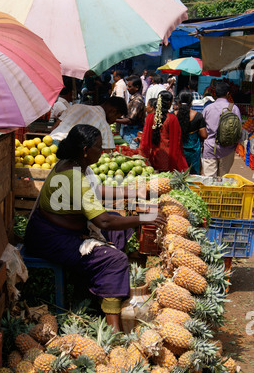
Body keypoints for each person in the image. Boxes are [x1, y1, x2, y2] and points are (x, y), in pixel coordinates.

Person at [24, 125, 166, 332]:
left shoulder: (71, 164)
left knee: (119, 227)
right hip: (50, 238)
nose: (103, 151)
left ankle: (90, 289)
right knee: (115, 258)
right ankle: (114, 328)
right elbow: (104, 222)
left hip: (59, 228)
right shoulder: (74, 177)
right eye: (98, 147)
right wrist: (145, 218)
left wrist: (135, 192)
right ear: (84, 150)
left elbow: (100, 197)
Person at [50, 96, 128, 152]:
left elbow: (55, 127)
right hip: (68, 151)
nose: (115, 121)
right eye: (117, 117)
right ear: (113, 111)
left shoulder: (75, 106)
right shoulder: (103, 124)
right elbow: (108, 152)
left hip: (48, 144)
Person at [140, 91, 188, 172]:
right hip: (168, 158)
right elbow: (177, 142)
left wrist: (144, 156)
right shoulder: (172, 118)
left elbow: (144, 140)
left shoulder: (149, 117)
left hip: (153, 156)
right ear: (169, 102)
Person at [202, 81, 242, 177]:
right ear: (228, 94)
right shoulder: (234, 108)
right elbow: (239, 131)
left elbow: (202, 128)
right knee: (223, 179)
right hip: (228, 149)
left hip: (210, 148)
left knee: (209, 179)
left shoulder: (208, 108)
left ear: (214, 93)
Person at [176, 91, 207, 175]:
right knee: (193, 175)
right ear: (191, 102)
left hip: (177, 149)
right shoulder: (198, 116)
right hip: (193, 151)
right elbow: (204, 135)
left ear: (178, 102)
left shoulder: (173, 115)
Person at [115, 75, 145, 148]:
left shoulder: (137, 101)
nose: (127, 88)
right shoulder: (133, 98)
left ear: (137, 87)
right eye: (127, 86)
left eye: (130, 86)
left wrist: (114, 119)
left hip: (132, 133)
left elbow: (130, 120)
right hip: (129, 131)